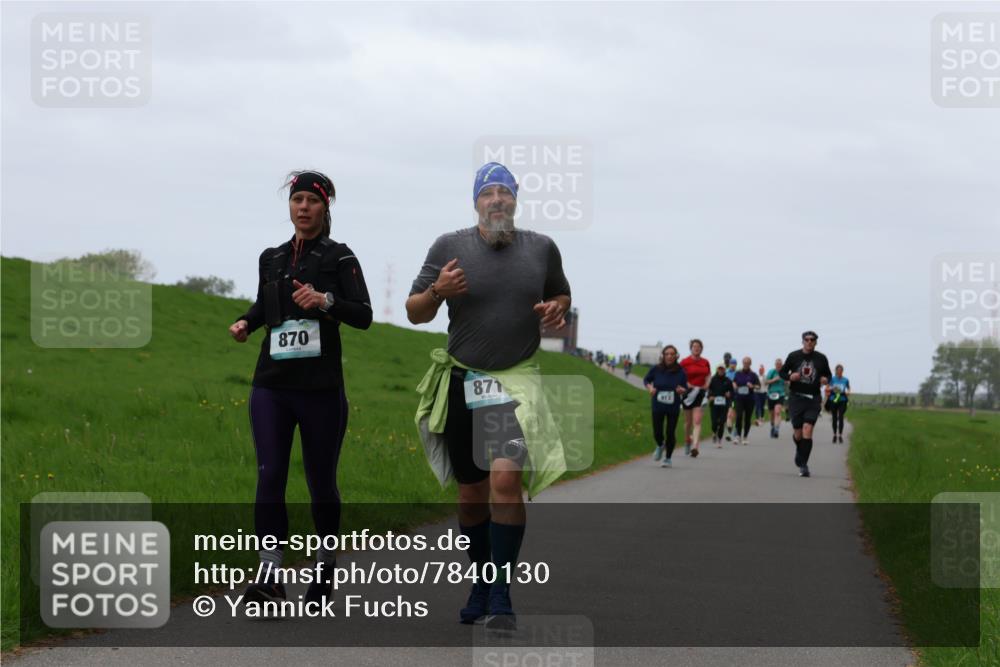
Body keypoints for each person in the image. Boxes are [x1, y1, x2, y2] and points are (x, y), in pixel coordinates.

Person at [407, 162, 571, 629]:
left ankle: (500, 592)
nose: (497, 199)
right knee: (470, 494)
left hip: (511, 386)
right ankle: (480, 582)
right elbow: (415, 312)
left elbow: (562, 293)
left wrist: (556, 309)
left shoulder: (541, 248)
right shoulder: (449, 246)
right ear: (475, 201)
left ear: (515, 201)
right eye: (488, 192)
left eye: (505, 192)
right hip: (462, 382)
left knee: (504, 482)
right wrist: (438, 290)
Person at [229, 170, 373, 605]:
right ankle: (270, 575)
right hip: (271, 384)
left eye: (312, 200)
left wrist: (325, 301)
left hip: (321, 389)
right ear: (289, 207)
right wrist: (247, 323)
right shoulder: (271, 257)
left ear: (325, 207)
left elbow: (363, 314)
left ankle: (325, 567)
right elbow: (265, 302)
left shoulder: (340, 257)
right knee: (269, 475)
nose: (303, 207)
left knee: (320, 482)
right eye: (298, 200)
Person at [779, 331, 833, 477]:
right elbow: (782, 372)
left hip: (813, 399)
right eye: (807, 339)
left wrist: (825, 380)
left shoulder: (821, 358)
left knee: (807, 429)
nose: (809, 342)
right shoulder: (794, 356)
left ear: (816, 342)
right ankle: (799, 449)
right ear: (802, 341)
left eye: (812, 340)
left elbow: (828, 375)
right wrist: (790, 376)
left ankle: (803, 465)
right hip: (796, 398)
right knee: (798, 434)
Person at [644, 345, 689, 468]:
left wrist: (682, 390)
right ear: (663, 356)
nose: (669, 356)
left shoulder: (681, 371)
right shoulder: (656, 369)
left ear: (676, 356)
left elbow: (685, 388)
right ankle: (660, 445)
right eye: (667, 354)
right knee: (657, 431)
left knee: (670, 432)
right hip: (657, 404)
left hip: (673, 406)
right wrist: (650, 388)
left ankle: (668, 458)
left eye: (672, 354)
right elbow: (646, 380)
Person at [680, 339, 711, 457]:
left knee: (697, 421)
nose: (696, 348)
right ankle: (687, 440)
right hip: (688, 393)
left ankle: (695, 447)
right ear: (691, 348)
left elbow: (708, 374)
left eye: (698, 346)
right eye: (694, 346)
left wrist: (707, 384)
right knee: (688, 422)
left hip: (701, 393)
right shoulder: (685, 362)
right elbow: (680, 375)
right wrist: (687, 383)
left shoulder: (705, 362)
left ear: (701, 349)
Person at [731, 357, 760, 445]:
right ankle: (738, 436)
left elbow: (758, 386)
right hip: (739, 398)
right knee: (739, 416)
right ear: (742, 363)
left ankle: (745, 436)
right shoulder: (738, 373)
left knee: (747, 418)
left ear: (750, 364)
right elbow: (734, 382)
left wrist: (753, 386)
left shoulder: (753, 375)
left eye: (748, 363)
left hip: (750, 399)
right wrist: (735, 385)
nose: (746, 364)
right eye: (744, 363)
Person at [706, 365, 732, 447]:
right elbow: (708, 390)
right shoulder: (713, 379)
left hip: (724, 404)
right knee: (714, 423)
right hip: (714, 404)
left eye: (722, 369)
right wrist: (710, 396)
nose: (721, 371)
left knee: (722, 422)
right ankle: (714, 432)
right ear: (717, 370)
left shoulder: (728, 380)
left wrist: (729, 394)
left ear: (724, 370)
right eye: (719, 369)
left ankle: (719, 440)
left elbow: (731, 391)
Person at [827, 364, 851, 443]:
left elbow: (848, 388)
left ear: (842, 371)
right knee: (834, 417)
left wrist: (848, 392)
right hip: (833, 399)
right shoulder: (832, 379)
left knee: (841, 417)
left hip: (842, 400)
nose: (839, 372)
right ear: (836, 371)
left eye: (841, 371)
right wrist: (832, 388)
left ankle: (840, 435)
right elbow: (827, 387)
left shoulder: (845, 380)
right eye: (838, 370)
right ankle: (834, 435)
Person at [763, 357, 787, 438]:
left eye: (780, 364)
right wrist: (774, 379)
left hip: (780, 394)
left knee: (777, 411)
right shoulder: (771, 372)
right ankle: (772, 426)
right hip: (771, 394)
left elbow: (788, 381)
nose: (778, 366)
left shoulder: (784, 373)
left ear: (782, 365)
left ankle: (776, 429)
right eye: (777, 364)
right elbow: (766, 382)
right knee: (772, 414)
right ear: (775, 365)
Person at [724, 358, 738, 441]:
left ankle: (734, 429)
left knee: (734, 415)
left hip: (736, 396)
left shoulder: (738, 373)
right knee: (729, 414)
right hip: (727, 396)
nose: (733, 365)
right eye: (731, 363)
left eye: (734, 364)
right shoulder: (725, 373)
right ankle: (729, 430)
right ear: (729, 364)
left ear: (736, 365)